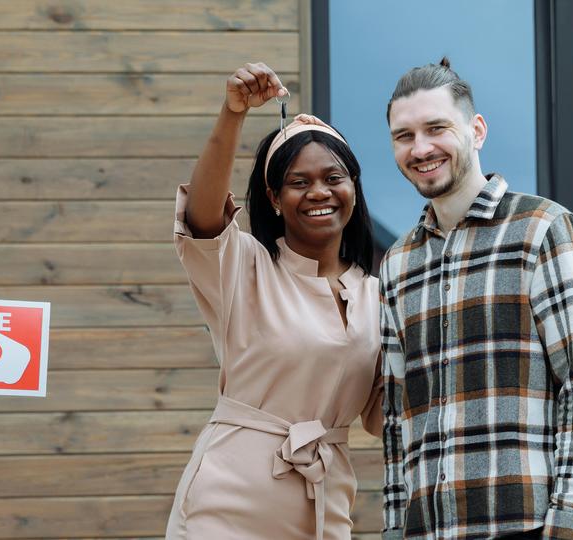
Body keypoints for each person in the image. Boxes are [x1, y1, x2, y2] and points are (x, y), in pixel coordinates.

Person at [378, 57, 573, 539]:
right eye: (404, 136)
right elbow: (396, 417)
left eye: (436, 128)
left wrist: (571, 519)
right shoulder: (397, 262)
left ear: (476, 130)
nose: (420, 148)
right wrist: (394, 527)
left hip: (527, 525)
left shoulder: (543, 230)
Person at [165, 62, 383, 539]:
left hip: (327, 507)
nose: (319, 192)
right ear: (275, 198)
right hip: (227, 506)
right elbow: (203, 215)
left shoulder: (378, 293)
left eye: (333, 177)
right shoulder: (245, 267)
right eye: (299, 182)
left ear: (353, 187)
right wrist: (232, 113)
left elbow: (388, 414)